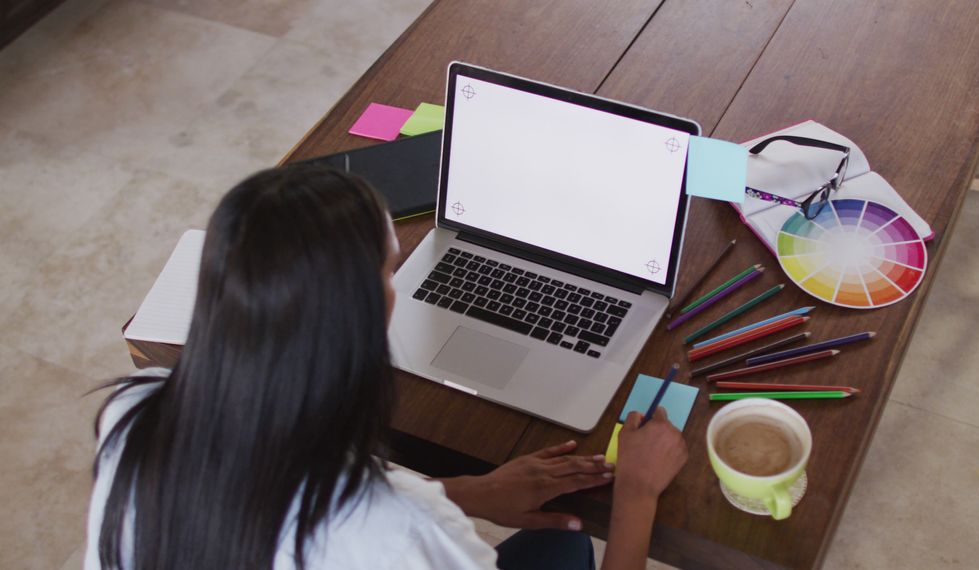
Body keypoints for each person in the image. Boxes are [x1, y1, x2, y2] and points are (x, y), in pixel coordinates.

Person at [85, 164, 688, 570]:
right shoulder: (400, 536)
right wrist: (636, 494)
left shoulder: (132, 413)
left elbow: (275, 495)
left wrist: (467, 493)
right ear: (362, 310)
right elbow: (371, 522)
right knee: (566, 544)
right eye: (389, 268)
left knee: (560, 540)